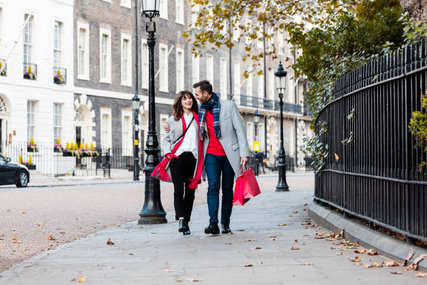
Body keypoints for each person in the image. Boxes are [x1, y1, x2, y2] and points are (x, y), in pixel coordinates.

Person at [167, 80, 250, 234]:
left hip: (230, 154)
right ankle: (213, 223)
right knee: (212, 188)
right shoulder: (200, 111)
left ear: (206, 93)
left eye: (197, 94)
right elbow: (182, 120)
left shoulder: (228, 106)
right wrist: (169, 126)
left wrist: (244, 153)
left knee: (227, 189)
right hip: (211, 155)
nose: (195, 98)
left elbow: (240, 130)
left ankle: (225, 223)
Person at [158, 91, 203, 236]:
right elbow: (166, 140)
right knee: (178, 190)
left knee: (190, 191)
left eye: (190, 98)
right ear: (180, 102)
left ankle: (187, 221)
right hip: (177, 158)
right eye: (185, 99)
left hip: (193, 158)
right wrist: (168, 153)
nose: (188, 101)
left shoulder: (199, 118)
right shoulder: (173, 119)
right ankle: (181, 219)